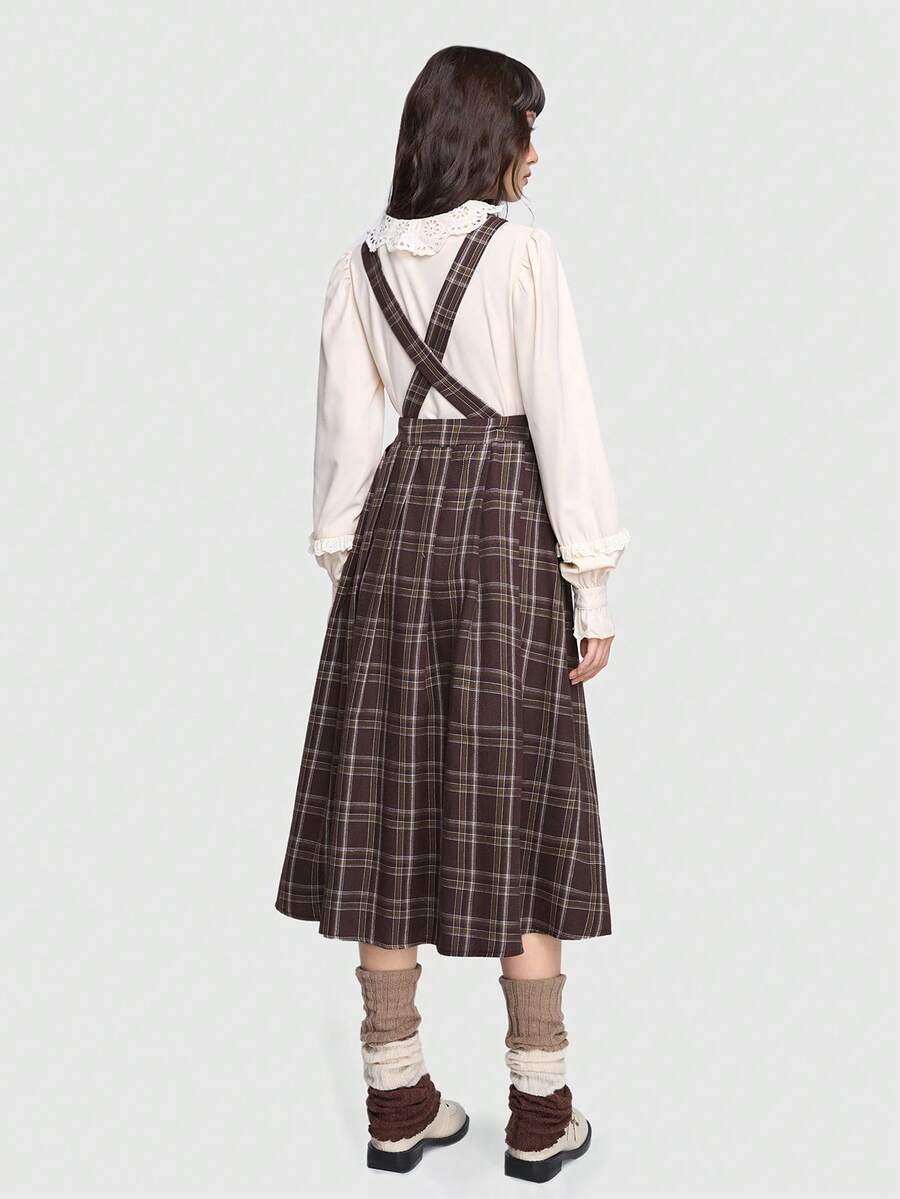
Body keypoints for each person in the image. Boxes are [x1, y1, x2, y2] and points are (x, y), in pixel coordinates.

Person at [275, 45, 630, 1183]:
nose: (537, 151)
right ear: (487, 137)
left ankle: (396, 1103)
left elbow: (345, 441)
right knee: (520, 806)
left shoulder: (359, 264)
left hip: (392, 543)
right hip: (507, 539)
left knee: (388, 815)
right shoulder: (522, 255)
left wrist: (358, 575)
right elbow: (563, 421)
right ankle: (539, 1111)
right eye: (528, 126)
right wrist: (591, 583)